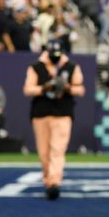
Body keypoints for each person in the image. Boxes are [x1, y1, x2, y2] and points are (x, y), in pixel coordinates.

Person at [23, 39, 83, 199]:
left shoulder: (71, 67)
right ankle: (48, 180)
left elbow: (80, 89)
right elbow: (28, 89)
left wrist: (68, 87)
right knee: (44, 152)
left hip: (63, 113)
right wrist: (44, 88)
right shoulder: (36, 67)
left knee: (57, 150)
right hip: (41, 113)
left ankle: (54, 182)